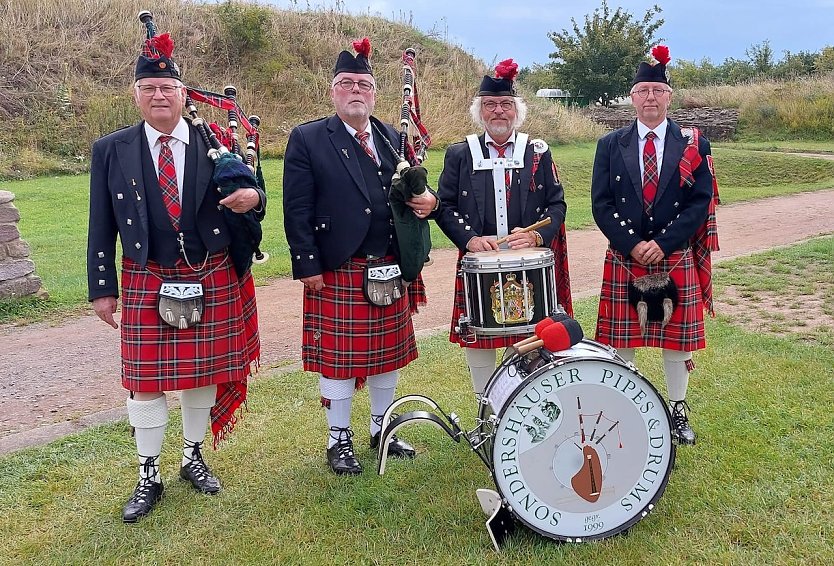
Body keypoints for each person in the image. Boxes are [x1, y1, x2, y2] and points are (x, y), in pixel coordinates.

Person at [87, 30, 264, 522]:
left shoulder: (216, 140)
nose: (159, 96)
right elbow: (100, 223)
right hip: (146, 275)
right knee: (144, 382)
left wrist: (254, 199)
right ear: (136, 95)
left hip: (209, 271)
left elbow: (255, 197)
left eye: (168, 89)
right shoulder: (112, 149)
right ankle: (149, 473)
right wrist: (103, 287)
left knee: (200, 375)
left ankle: (191, 457)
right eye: (149, 88)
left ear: (184, 95)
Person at [282, 38, 438, 475]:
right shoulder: (309, 138)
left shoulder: (391, 137)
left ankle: (381, 427)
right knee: (339, 358)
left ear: (373, 92)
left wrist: (429, 200)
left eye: (363, 84)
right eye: (346, 83)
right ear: (333, 91)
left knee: (388, 355)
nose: (355, 90)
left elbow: (410, 193)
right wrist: (307, 264)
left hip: (389, 265)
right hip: (339, 267)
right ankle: (338, 438)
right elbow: (296, 208)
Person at [590, 45, 717, 445]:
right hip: (627, 255)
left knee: (676, 342)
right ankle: (625, 409)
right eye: (643, 90)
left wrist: (663, 243)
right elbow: (601, 204)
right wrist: (632, 244)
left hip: (672, 252)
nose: (650, 97)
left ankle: (677, 411)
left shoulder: (693, 142)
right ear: (632, 97)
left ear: (669, 96)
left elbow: (701, 201)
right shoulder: (611, 144)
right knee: (622, 340)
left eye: (657, 91)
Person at [433, 59, 573, 395]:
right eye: (490, 105)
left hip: (528, 262)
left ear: (517, 112)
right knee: (480, 336)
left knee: (535, 334)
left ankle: (533, 403)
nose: (499, 112)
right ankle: (487, 408)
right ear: (480, 112)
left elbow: (558, 204)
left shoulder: (537, 152)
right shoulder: (459, 154)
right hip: (480, 261)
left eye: (506, 105)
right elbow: (444, 206)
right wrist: (469, 239)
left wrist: (538, 234)